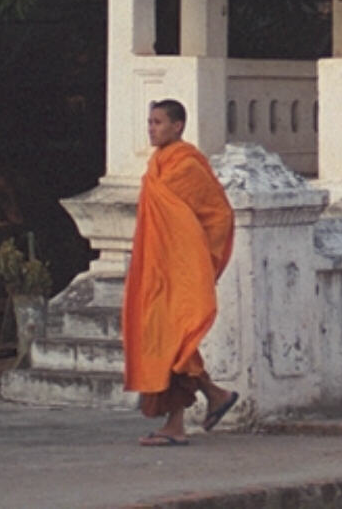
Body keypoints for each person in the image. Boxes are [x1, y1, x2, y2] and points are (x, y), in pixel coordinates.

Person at [122, 99, 240, 446]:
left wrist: (197, 260)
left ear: (178, 126)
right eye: (149, 122)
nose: (152, 128)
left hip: (180, 272)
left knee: (176, 341)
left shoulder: (187, 165)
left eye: (158, 122)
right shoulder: (157, 164)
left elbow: (218, 215)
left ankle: (179, 423)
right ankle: (214, 396)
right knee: (165, 340)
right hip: (159, 272)